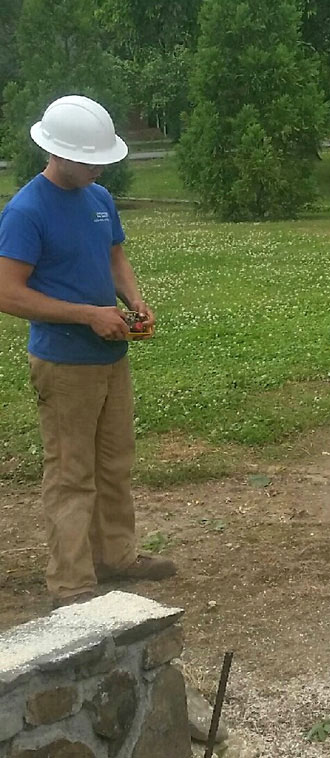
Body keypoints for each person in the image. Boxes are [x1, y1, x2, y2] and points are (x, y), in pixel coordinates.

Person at [0, 95, 176, 607]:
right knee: (71, 473)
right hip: (64, 364)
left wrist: (133, 300)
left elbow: (115, 257)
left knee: (115, 463)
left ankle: (116, 556)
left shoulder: (99, 199)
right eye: (92, 158)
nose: (101, 166)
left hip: (109, 359)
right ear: (59, 153)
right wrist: (87, 314)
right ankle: (72, 584)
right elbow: (8, 292)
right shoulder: (26, 211)